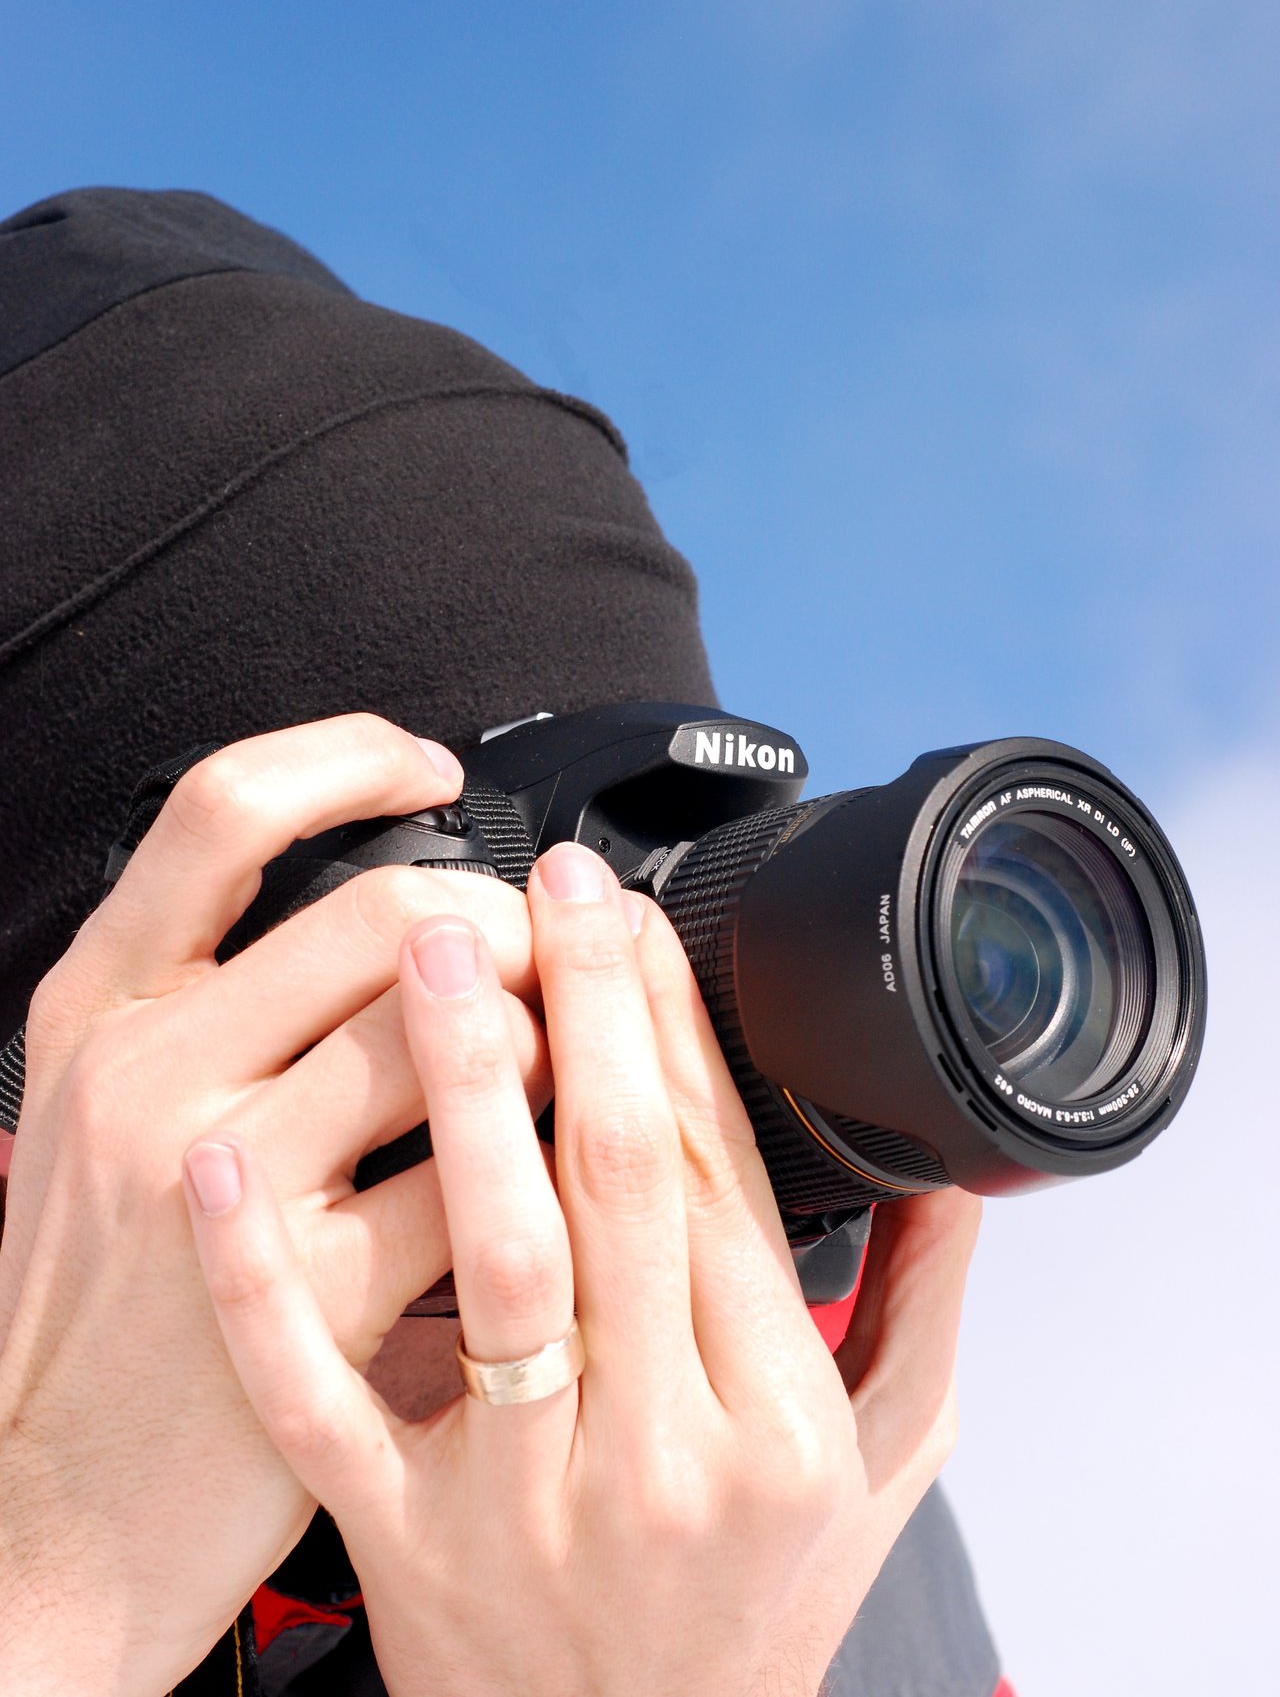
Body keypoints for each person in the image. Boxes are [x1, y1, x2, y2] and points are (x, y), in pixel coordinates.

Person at [0, 188, 1008, 1695]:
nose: (603, 1119)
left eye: (673, 919)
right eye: (414, 997)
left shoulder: (790, 1525)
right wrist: (59, 1597)